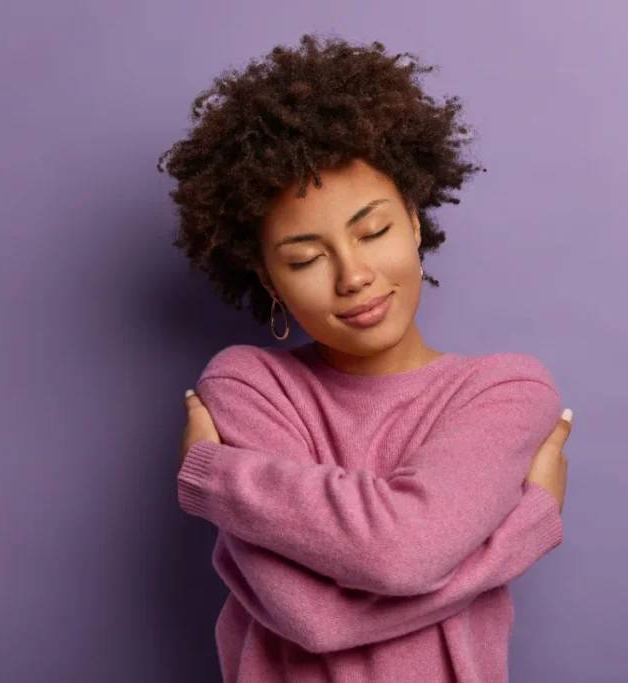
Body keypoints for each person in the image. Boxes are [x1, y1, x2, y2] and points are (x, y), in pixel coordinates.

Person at [159, 34, 573, 683]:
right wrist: (523, 531)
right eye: (305, 258)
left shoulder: (505, 389)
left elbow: (405, 552)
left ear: (414, 221)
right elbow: (313, 619)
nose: (352, 276)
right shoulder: (249, 385)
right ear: (268, 278)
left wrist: (217, 479)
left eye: (373, 231)